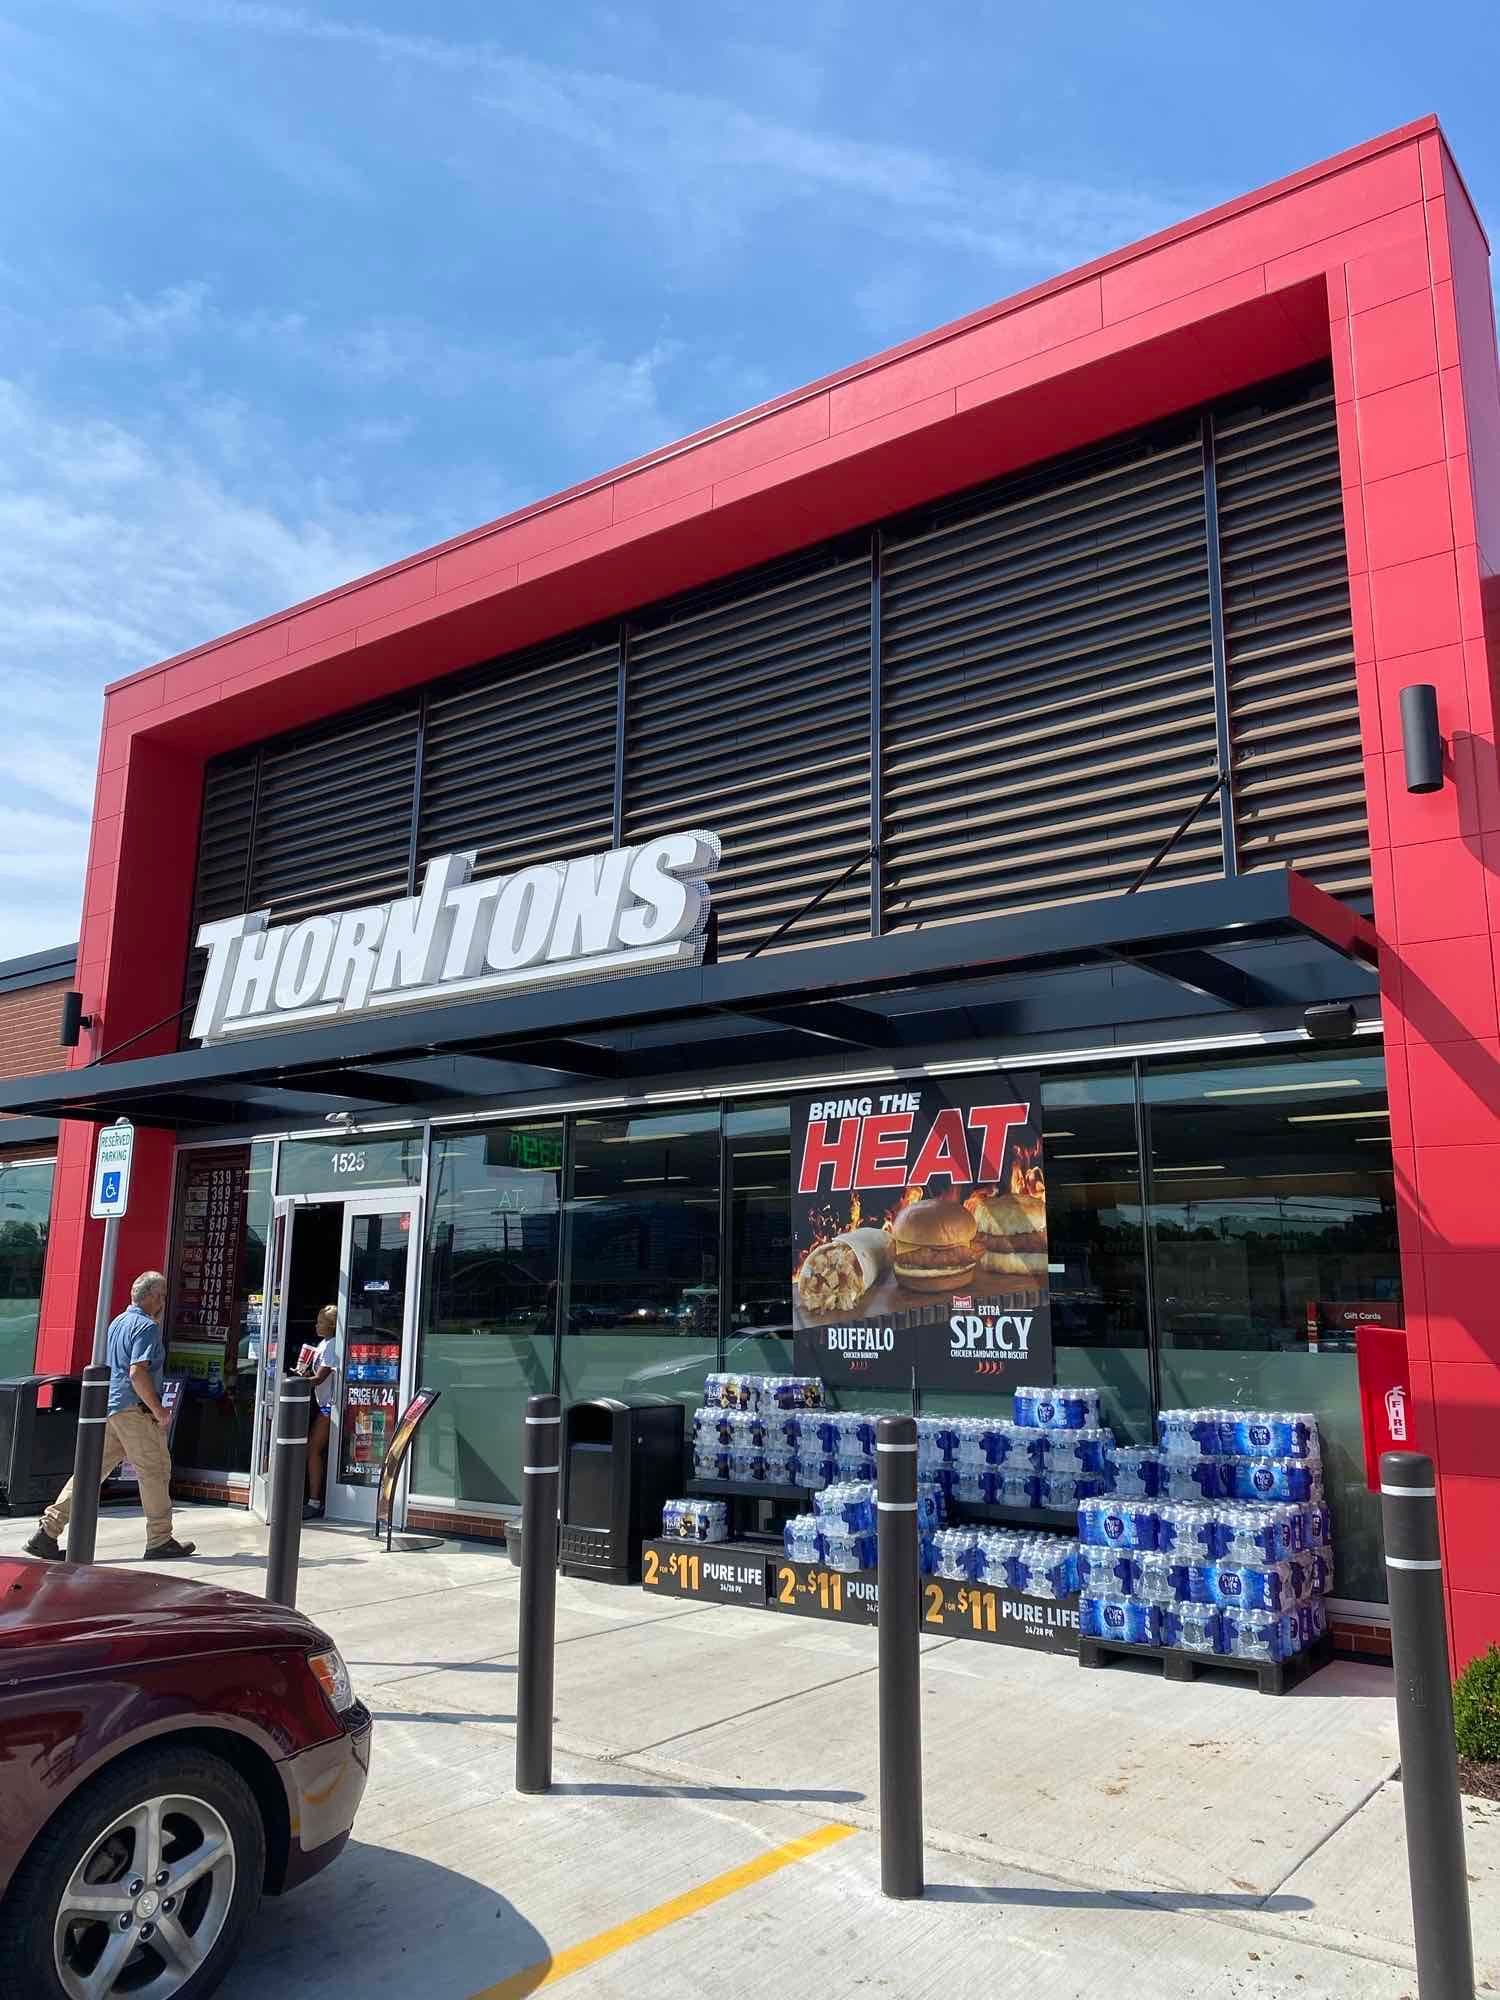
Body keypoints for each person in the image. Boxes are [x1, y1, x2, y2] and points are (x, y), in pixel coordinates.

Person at [26, 1270, 197, 1562]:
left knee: (89, 1473)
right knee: (154, 1472)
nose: (164, 1301)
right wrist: (158, 1410)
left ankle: (47, 1531)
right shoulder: (146, 1327)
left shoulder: (117, 1322)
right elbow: (137, 1371)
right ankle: (160, 1539)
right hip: (135, 1411)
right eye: (163, 1295)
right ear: (153, 1296)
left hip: (111, 1409)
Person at [302, 1304, 340, 1520]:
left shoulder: (332, 1345)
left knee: (313, 1450)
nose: (316, 1325)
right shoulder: (323, 1343)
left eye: (321, 1323)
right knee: (316, 1450)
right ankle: (318, 1499)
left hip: (329, 1407)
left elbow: (319, 1378)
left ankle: (315, 1502)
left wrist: (296, 1382)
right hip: (323, 1403)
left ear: (332, 1326)